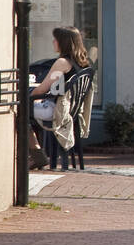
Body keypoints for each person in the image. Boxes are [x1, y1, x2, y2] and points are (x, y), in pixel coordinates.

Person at [29, 26, 90, 171]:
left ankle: (36, 155)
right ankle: (35, 154)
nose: (53, 42)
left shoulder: (62, 62)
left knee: (18, 110)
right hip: (70, 110)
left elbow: (41, 89)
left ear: (62, 42)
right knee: (26, 111)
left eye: (55, 39)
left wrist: (28, 97)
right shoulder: (81, 62)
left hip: (55, 110)